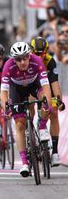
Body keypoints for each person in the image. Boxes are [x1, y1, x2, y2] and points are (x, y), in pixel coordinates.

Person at [0, 42, 52, 177]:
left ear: (29, 56)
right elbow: (4, 91)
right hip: (16, 89)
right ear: (13, 59)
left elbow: (46, 86)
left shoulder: (37, 61)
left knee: (45, 100)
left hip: (34, 85)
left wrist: (47, 103)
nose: (22, 62)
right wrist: (5, 106)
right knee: (20, 124)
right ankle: (24, 163)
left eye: (24, 58)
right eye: (18, 59)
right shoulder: (8, 66)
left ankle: (41, 127)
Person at [30, 36, 65, 166]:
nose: (39, 56)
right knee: (29, 106)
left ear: (46, 51)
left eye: (42, 53)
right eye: (36, 53)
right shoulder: (28, 60)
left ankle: (55, 152)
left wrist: (59, 99)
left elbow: (54, 83)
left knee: (54, 113)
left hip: (47, 87)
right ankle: (30, 133)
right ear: (32, 52)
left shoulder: (50, 61)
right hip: (32, 87)